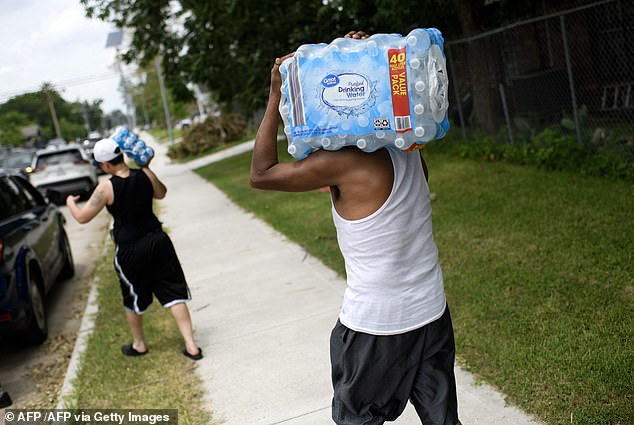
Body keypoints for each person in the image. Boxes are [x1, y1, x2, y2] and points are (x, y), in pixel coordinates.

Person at [250, 31, 461, 425]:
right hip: (431, 312)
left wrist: (275, 94)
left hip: (377, 326)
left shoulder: (343, 163)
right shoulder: (406, 146)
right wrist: (364, 55)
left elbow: (261, 175)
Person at [66, 138, 203, 361]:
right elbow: (161, 193)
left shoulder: (106, 187)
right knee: (174, 292)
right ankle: (191, 345)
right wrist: (146, 167)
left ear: (106, 165)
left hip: (130, 249)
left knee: (133, 296)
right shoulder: (144, 174)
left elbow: (82, 217)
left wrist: (70, 202)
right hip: (158, 240)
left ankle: (139, 344)